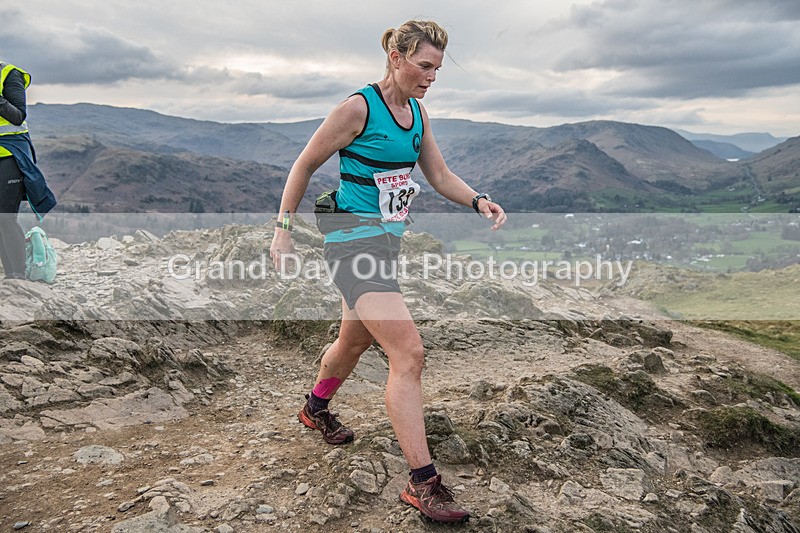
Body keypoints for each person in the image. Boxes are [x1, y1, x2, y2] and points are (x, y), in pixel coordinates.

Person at [270, 20, 506, 524]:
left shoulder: (416, 113)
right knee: (408, 353)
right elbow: (303, 165)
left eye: (437, 69)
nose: (431, 77)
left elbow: (438, 174)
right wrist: (283, 230)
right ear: (396, 59)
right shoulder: (357, 108)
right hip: (350, 244)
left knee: (353, 341)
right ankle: (423, 483)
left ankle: (315, 408)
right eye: (424, 66)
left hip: (384, 245)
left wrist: (478, 200)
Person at [0, 61, 56, 280]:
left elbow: (17, 116)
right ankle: (10, 276)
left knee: (5, 217)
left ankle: (18, 275)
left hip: (11, 155)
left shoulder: (9, 74)